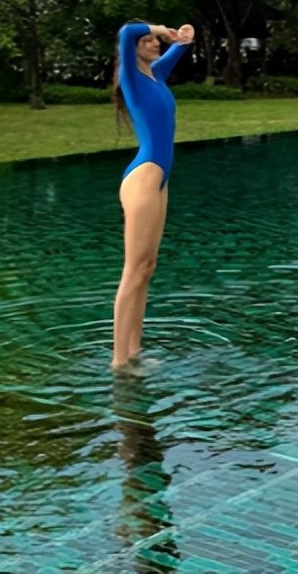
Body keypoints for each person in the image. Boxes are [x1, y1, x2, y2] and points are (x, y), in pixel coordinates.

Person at [112, 19, 195, 372]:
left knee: (147, 268)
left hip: (160, 178)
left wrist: (184, 35)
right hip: (144, 177)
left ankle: (134, 352)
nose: (154, 44)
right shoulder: (130, 76)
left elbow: (183, 46)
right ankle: (119, 362)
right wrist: (159, 28)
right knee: (133, 270)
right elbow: (125, 33)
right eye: (147, 41)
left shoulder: (155, 75)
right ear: (134, 50)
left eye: (154, 40)